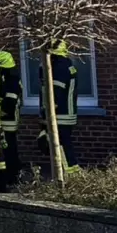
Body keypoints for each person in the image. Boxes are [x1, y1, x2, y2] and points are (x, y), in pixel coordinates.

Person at [36, 41, 80, 172]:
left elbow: (54, 92)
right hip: (66, 112)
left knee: (61, 145)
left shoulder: (58, 67)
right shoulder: (66, 64)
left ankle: (68, 174)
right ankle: (70, 172)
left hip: (59, 114)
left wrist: (46, 113)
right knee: (64, 144)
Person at [0, 50, 22, 190]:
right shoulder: (6, 77)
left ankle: (13, 177)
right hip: (4, 119)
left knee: (10, 149)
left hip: (9, 120)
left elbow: (10, 102)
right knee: (6, 149)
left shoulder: (12, 79)